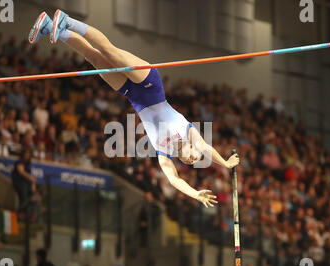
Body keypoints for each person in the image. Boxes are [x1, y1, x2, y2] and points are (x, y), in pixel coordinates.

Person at [28, 10, 240, 208]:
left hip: (131, 94)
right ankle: (67, 19)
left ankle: (51, 26)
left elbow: (174, 179)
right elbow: (205, 148)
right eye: (195, 157)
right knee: (109, 52)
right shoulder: (188, 132)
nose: (193, 159)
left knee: (94, 58)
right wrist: (225, 164)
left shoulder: (163, 153)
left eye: (189, 161)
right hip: (150, 84)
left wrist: (195, 194)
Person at [11, 149, 36, 216]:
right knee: (24, 197)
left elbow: (31, 178)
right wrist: (31, 178)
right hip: (19, 182)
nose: (27, 156)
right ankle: (19, 213)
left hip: (27, 183)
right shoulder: (19, 162)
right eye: (26, 154)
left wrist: (33, 188)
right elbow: (21, 172)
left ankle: (29, 214)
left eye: (29, 155)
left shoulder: (28, 163)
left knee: (32, 198)